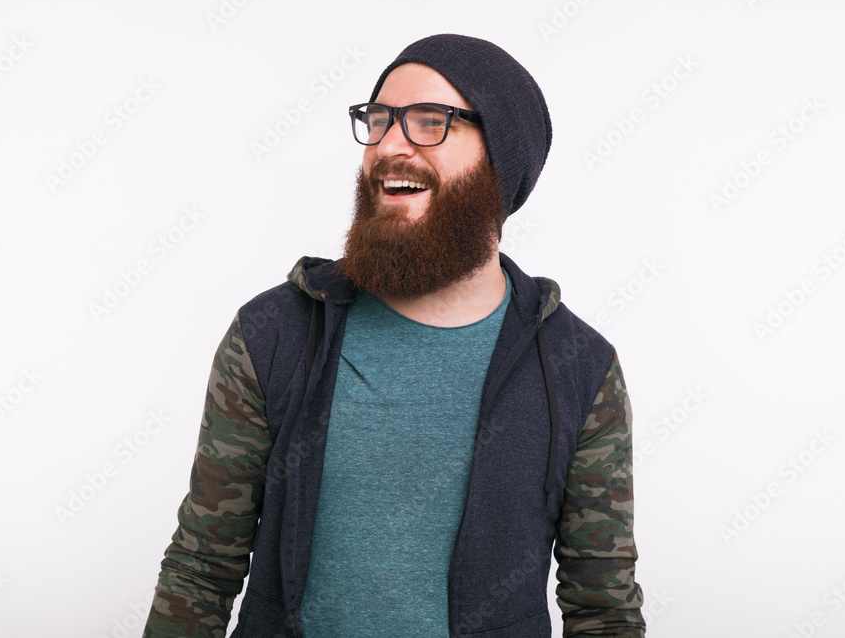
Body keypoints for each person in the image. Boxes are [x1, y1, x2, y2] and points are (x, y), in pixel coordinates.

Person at [142, 33, 645, 637]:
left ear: (502, 160)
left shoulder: (578, 368)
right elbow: (202, 569)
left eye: (431, 122)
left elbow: (602, 609)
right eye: (379, 121)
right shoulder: (274, 333)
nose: (389, 145)